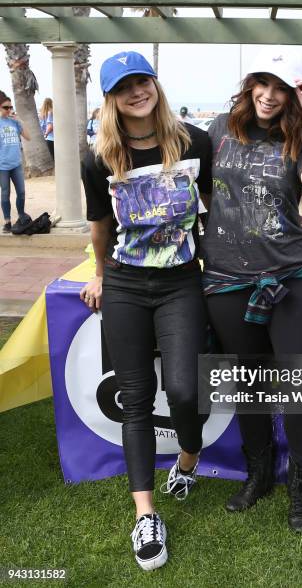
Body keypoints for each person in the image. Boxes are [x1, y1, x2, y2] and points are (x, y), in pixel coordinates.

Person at [80, 51, 212, 571]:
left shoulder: (193, 143)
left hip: (181, 282)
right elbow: (99, 227)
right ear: (111, 97)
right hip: (126, 285)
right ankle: (145, 514)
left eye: (144, 81)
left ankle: (188, 459)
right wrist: (99, 272)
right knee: (135, 397)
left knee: (182, 388)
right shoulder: (99, 158)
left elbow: (214, 211)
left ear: (155, 85)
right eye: (125, 86)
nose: (138, 91)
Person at [202, 48, 302, 533]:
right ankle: (259, 475)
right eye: (264, 84)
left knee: (301, 383)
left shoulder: (299, 134)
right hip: (226, 278)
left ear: (294, 96)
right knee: (247, 380)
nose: (270, 96)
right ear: (250, 84)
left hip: (291, 275)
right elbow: (207, 191)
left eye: (283, 89)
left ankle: (300, 485)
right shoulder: (218, 129)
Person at [0, 93, 31, 233]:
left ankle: (21, 217)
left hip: (16, 164)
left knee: (22, 192)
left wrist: (20, 120)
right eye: (6, 107)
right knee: (5, 193)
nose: (9, 110)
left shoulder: (14, 122)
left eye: (10, 107)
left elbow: (28, 137)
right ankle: (7, 221)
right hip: (2, 165)